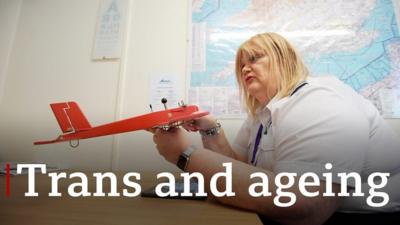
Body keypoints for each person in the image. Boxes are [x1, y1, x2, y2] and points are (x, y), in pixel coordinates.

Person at [151, 32, 400, 225]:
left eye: (255, 58)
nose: (245, 68)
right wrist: (210, 129)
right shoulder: (262, 114)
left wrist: (185, 154)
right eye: (241, 66)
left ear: (284, 59)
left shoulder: (319, 100)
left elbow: (306, 207)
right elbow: (238, 165)